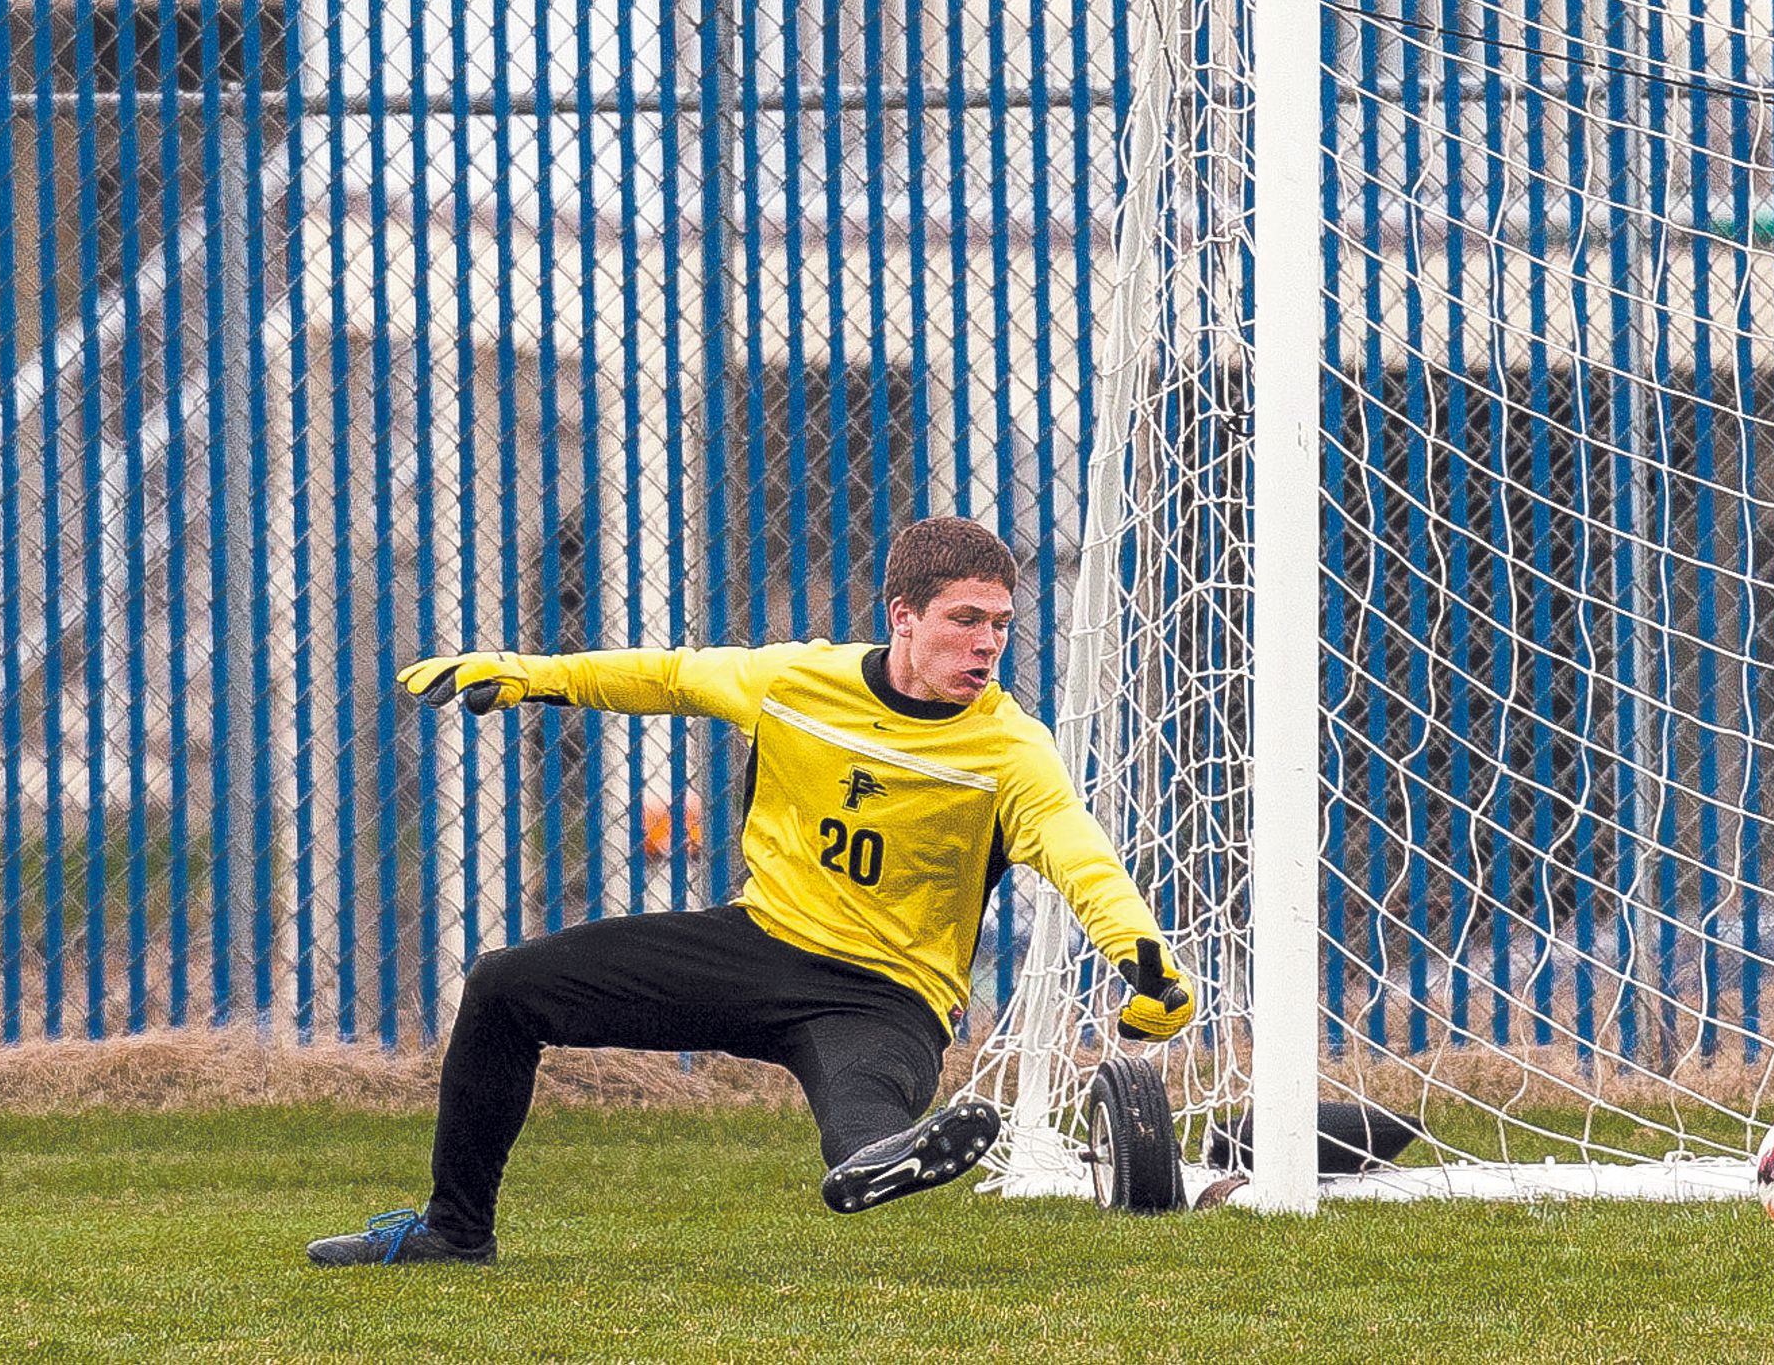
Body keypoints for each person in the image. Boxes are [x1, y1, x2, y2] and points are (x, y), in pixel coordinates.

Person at [304, 515, 1199, 1265]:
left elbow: (1078, 853)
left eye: (1001, 623)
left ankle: (883, 1158)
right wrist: (529, 674)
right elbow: (669, 676)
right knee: (504, 987)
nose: (988, 643)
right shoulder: (795, 681)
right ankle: (452, 1235)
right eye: (966, 620)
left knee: (862, 1120)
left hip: (889, 994)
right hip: (758, 944)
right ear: (903, 616)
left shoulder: (1011, 750)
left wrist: (1139, 956)